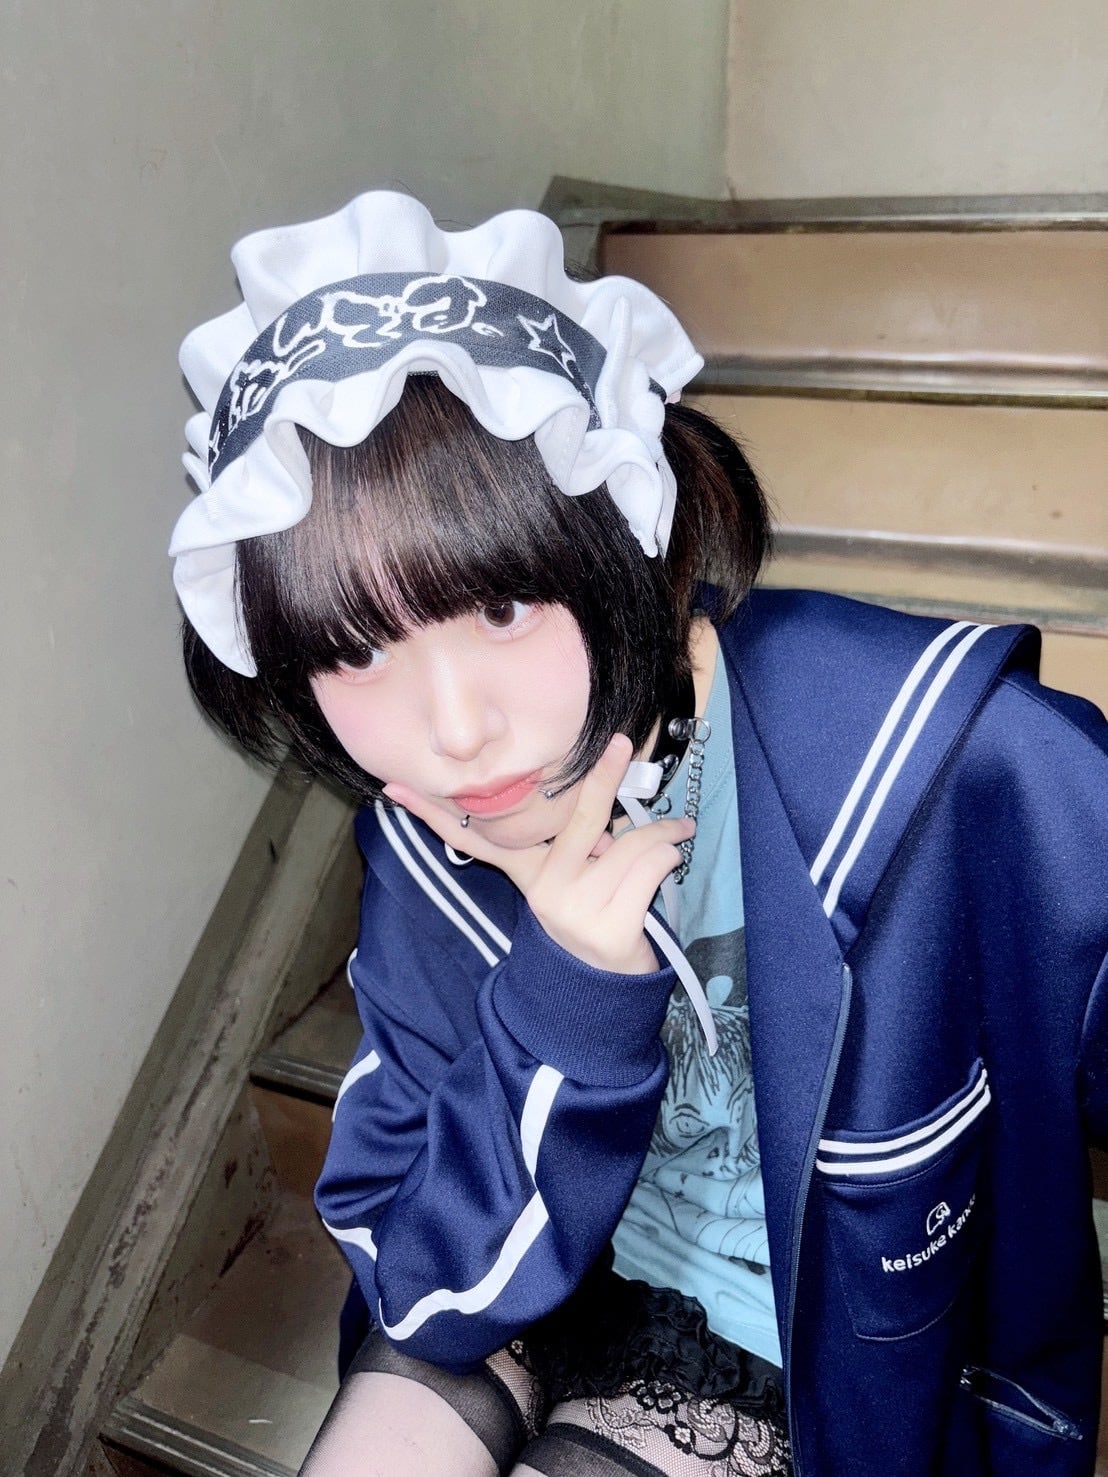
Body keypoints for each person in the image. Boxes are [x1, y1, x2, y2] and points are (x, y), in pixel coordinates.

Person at [170, 191, 1108, 1477]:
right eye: (355, 649)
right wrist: (568, 997)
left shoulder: (954, 766)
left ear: (622, 533)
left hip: (800, 1353)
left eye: (502, 605)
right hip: (528, 1283)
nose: (455, 732)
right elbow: (422, 1283)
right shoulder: (431, 843)